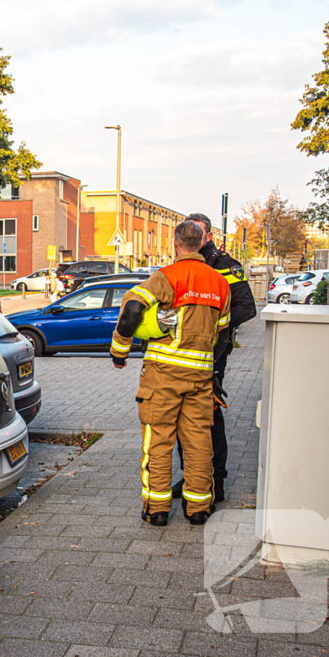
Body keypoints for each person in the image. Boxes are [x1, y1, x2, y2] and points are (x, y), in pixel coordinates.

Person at [110, 220, 231, 526]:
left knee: (158, 441)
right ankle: (199, 508)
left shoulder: (166, 276)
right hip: (200, 376)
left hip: (163, 374)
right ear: (202, 243)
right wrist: (212, 372)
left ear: (175, 244)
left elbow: (133, 309)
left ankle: (157, 509)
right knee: (199, 442)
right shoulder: (219, 283)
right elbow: (224, 334)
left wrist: (119, 351)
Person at [172, 213, 257, 503]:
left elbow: (247, 308)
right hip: (182, 353)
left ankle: (216, 480)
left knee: (209, 417)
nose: (193, 237)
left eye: (199, 232)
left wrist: (213, 325)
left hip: (212, 352)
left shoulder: (225, 266)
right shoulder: (183, 265)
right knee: (184, 417)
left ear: (208, 237)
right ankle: (191, 476)